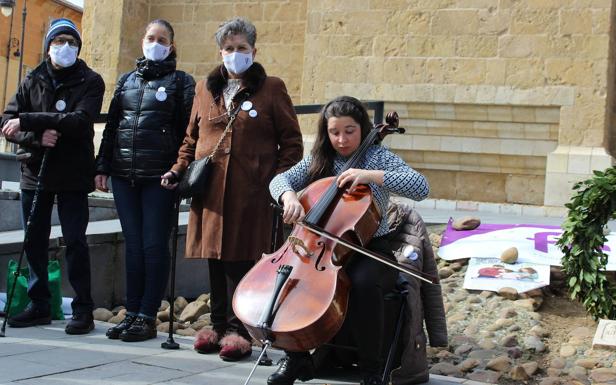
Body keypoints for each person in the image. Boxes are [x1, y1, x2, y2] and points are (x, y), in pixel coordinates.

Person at [162, 17, 303, 361]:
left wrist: (278, 183)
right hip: (210, 194)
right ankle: (217, 323)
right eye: (229, 48)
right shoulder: (203, 88)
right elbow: (191, 139)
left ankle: (240, 331)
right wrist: (177, 169)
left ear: (254, 51)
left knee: (243, 261)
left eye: (242, 48)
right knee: (215, 259)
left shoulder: (272, 88)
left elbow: (292, 144)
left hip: (252, 195)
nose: (235, 54)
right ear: (220, 51)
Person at [266, 96, 430, 385]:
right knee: (294, 281)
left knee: (363, 283)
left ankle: (371, 371)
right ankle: (296, 358)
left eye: (349, 131)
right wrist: (288, 196)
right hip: (318, 248)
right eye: (334, 132)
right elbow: (279, 180)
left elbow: (421, 186)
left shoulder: (378, 157)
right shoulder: (320, 158)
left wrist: (371, 176)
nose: (341, 140)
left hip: (370, 248)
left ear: (363, 129)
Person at [1, 18, 104, 334]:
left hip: (73, 172)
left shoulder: (91, 80)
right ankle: (39, 304)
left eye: (72, 42)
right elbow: (8, 122)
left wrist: (30, 121)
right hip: (36, 170)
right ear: (48, 47)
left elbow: (80, 121)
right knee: (34, 239)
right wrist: (36, 137)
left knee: (75, 241)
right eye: (59, 42)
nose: (66, 48)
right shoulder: (32, 78)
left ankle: (82, 308)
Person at [94, 19, 195, 342]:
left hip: (159, 178)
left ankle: (148, 315)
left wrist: (180, 170)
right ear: (143, 41)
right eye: (150, 37)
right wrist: (102, 166)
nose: (155, 43)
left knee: (154, 246)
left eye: (162, 39)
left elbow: (188, 134)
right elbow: (112, 127)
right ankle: (133, 312)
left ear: (172, 45)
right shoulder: (126, 81)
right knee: (133, 246)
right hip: (125, 175)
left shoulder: (182, 83)